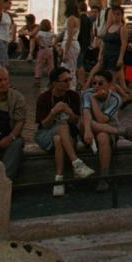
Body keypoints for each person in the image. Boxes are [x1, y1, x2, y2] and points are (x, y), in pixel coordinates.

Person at [35, 66, 93, 195]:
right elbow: (44, 125)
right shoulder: (44, 98)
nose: (69, 83)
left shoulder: (73, 96)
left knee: (59, 138)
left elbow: (75, 121)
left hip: (67, 135)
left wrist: (69, 112)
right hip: (46, 134)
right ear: (55, 83)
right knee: (61, 128)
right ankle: (77, 163)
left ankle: (59, 179)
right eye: (65, 80)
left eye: (70, 79)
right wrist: (53, 112)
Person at [0, 65, 26, 180]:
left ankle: (4, 179)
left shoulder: (17, 97)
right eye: (0, 80)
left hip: (9, 138)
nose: (4, 83)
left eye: (6, 79)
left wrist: (10, 138)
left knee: (17, 144)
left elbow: (20, 122)